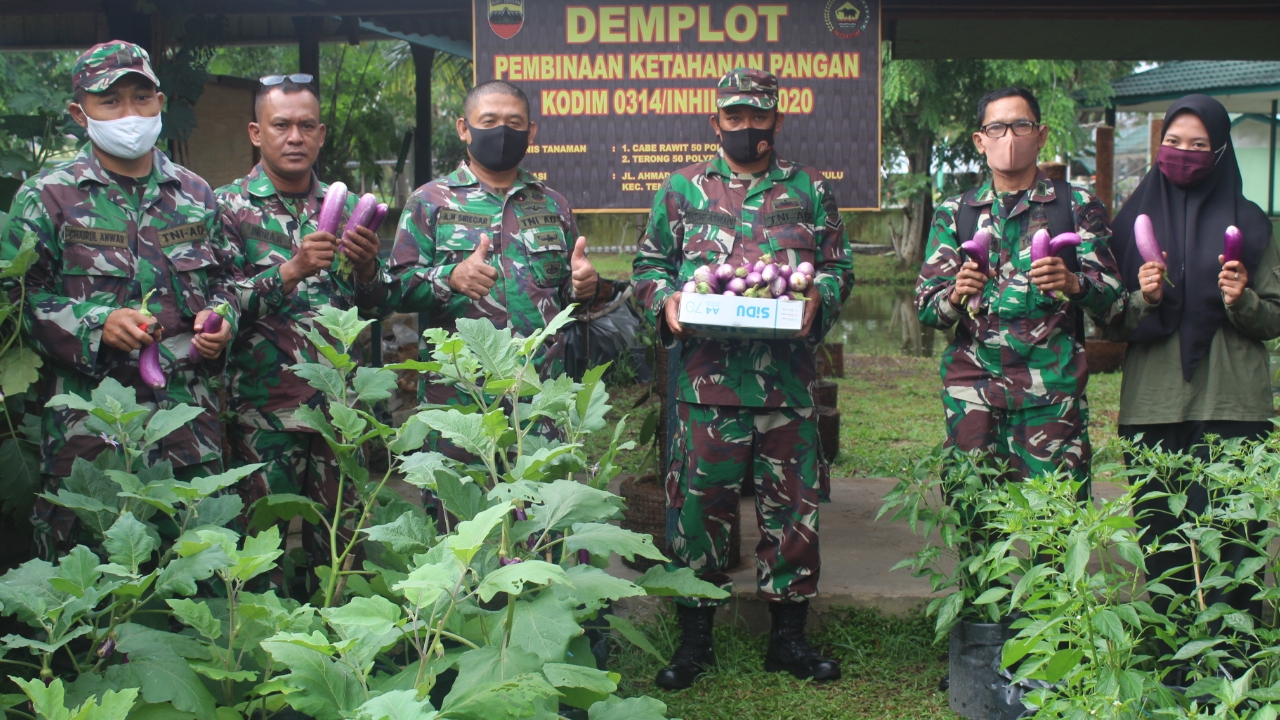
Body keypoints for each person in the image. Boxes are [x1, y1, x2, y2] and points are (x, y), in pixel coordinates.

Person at [633, 68, 853, 689]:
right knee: (698, 511)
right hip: (706, 388)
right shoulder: (681, 190)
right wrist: (664, 302)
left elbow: (837, 267)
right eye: (735, 116)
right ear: (716, 122)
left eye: (759, 116)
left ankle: (788, 639)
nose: (746, 126)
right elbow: (649, 266)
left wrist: (821, 299)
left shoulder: (809, 189)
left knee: (793, 510)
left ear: (777, 121)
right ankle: (694, 640)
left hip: (786, 386)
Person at [1, 41, 236, 559]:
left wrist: (222, 320)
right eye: (111, 102)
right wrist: (95, 324)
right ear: (79, 111)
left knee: (195, 588)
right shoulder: (47, 196)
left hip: (187, 433)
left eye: (141, 97)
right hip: (91, 439)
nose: (130, 113)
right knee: (91, 598)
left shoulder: (195, 194)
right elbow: (16, 302)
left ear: (160, 101)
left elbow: (225, 281)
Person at [1105, 94, 1278, 669]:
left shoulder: (1253, 223)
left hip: (1233, 399)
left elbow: (1275, 316)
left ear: (1221, 150)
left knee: (1236, 534)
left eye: (1199, 145)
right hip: (1153, 403)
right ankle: (1173, 658)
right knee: (1164, 537)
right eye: (1173, 142)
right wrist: (1143, 296)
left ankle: (1239, 659)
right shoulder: (1130, 222)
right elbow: (1105, 317)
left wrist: (1242, 299)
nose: (1183, 154)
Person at [216, 75, 397, 568]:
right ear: (257, 133)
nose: (294, 137)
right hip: (263, 412)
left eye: (306, 126)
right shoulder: (226, 208)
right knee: (257, 556)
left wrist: (366, 270)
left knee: (341, 552)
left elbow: (376, 304)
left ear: (320, 135)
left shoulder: (346, 208)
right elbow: (218, 307)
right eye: (281, 125)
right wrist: (290, 271)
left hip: (339, 413)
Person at [915, 87, 1125, 491]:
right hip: (972, 399)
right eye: (996, 128)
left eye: (1021, 126)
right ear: (980, 140)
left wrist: (1074, 284)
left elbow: (1115, 304)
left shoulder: (1076, 205)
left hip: (1051, 400)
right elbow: (927, 309)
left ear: (1041, 134)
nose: (1008, 138)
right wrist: (957, 294)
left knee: (1054, 530)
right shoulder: (956, 212)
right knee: (976, 531)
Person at [389, 80, 602, 471]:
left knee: (541, 519)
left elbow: (565, 291)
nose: (502, 131)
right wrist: (449, 278)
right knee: (460, 516)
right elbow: (393, 289)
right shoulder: (429, 201)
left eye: (514, 122)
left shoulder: (553, 205)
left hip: (540, 397)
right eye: (489, 120)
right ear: (464, 128)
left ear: (530, 132)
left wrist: (583, 286)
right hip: (461, 400)